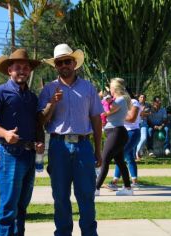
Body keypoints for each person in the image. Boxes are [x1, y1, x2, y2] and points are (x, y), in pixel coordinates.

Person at [38, 43, 103, 236]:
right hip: (58, 146)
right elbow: (41, 120)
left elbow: (96, 119)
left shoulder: (88, 87)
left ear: (75, 63)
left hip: (83, 146)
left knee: (86, 195)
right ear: (56, 66)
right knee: (60, 196)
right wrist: (52, 103)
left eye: (67, 61)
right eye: (60, 62)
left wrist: (98, 149)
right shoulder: (49, 89)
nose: (64, 65)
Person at [0, 49, 45, 236]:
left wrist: (38, 143)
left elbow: (36, 124)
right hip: (10, 154)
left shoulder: (32, 97)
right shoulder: (0, 92)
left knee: (22, 206)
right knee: (9, 206)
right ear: (9, 70)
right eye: (18, 67)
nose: (22, 71)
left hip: (29, 155)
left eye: (26, 68)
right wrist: (4, 133)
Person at [96, 78, 133, 196]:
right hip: (115, 133)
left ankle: (96, 188)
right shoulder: (116, 100)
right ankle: (128, 188)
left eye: (111, 88)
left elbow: (106, 111)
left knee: (104, 159)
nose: (109, 90)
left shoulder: (121, 100)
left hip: (116, 132)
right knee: (120, 162)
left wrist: (101, 99)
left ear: (115, 88)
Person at [108, 88, 141, 189]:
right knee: (129, 157)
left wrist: (118, 115)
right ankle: (134, 180)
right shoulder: (121, 103)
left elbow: (132, 119)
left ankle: (115, 181)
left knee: (120, 156)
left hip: (132, 132)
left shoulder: (134, 102)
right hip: (124, 132)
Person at [135, 93, 151, 160]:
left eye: (143, 97)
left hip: (144, 123)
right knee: (136, 139)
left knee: (144, 138)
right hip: (136, 123)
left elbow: (149, 114)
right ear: (138, 98)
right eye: (141, 97)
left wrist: (142, 113)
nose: (142, 98)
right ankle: (137, 154)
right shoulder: (135, 104)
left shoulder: (147, 105)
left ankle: (137, 151)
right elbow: (140, 114)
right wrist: (143, 112)